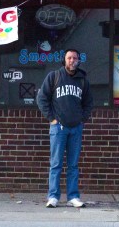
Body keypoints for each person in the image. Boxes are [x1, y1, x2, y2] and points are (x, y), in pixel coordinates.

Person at [36, 48, 94, 208]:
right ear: (65, 60)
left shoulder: (83, 80)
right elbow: (42, 99)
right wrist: (52, 119)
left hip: (76, 128)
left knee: (73, 165)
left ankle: (73, 197)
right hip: (58, 128)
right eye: (69, 58)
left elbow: (89, 103)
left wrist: (82, 119)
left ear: (78, 60)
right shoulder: (54, 76)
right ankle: (53, 196)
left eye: (75, 58)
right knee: (56, 164)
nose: (72, 60)